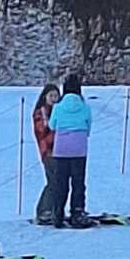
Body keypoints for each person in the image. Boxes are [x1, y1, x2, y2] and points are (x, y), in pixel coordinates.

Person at [48, 72, 92, 228]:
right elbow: (88, 127)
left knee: (61, 183)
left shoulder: (58, 107)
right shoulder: (85, 107)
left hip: (61, 149)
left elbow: (52, 125)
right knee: (78, 182)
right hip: (79, 149)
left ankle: (58, 214)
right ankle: (77, 213)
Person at [32, 83, 61, 225]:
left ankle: (52, 209)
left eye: (56, 96)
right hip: (48, 151)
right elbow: (43, 131)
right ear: (45, 97)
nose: (54, 99)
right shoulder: (41, 112)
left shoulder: (58, 110)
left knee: (57, 181)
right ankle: (44, 210)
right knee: (53, 181)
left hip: (58, 151)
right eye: (51, 96)